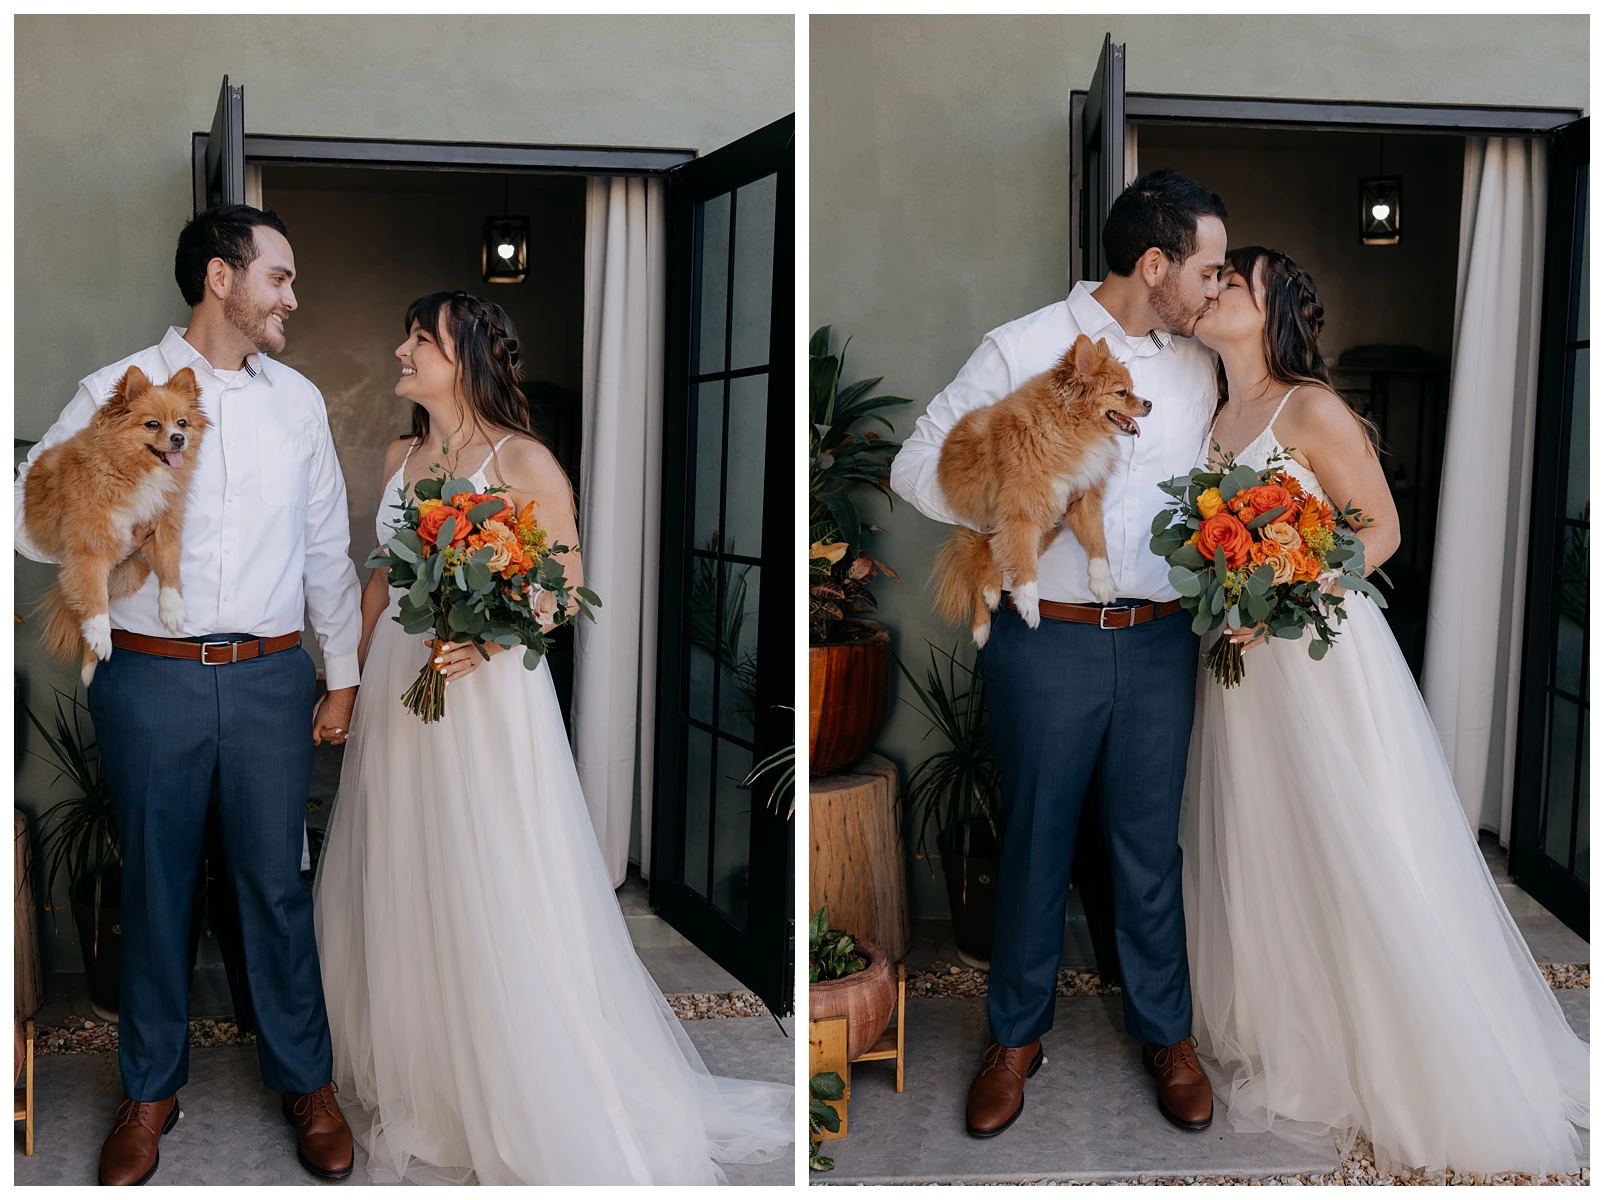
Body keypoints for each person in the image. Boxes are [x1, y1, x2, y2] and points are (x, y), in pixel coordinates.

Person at [312, 291, 793, 1184]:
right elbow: (377, 580)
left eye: (421, 339)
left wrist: (489, 631)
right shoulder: (399, 454)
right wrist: (343, 687)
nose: (401, 350)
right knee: (406, 868)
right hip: (397, 689)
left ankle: (518, 1081)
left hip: (488, 702)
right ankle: (426, 1079)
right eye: (408, 335)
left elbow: (563, 590)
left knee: (491, 872)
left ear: (466, 360)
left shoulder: (523, 460)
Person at [1182, 246, 1590, 1174]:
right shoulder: (1217, 413)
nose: (1212, 295)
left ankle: (1410, 1044)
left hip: (1318, 660)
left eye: (1229, 283)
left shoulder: (1308, 407)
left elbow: (1382, 530)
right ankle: (1294, 1036)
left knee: (1356, 836)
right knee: (1267, 838)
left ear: (1271, 305)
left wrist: (1285, 591)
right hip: (1238, 666)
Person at [14, 204, 361, 1185]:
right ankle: (150, 1091)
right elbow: (28, 517)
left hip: (268, 680)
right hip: (149, 681)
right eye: (279, 278)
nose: (291, 296)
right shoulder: (114, 390)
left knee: (275, 889)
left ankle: (308, 1080)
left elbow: (326, 550)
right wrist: (99, 527)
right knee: (156, 891)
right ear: (221, 278)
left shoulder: (298, 402)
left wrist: (342, 678)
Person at [890, 169, 1228, 1138]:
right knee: (1033, 842)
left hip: (1163, 642)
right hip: (1047, 642)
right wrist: (1014, 512)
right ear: (1153, 263)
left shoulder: (1194, 369)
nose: (1214, 287)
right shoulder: (1022, 346)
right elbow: (916, 461)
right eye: (1204, 269)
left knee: (1145, 851)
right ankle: (1013, 1036)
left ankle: (1166, 1032)